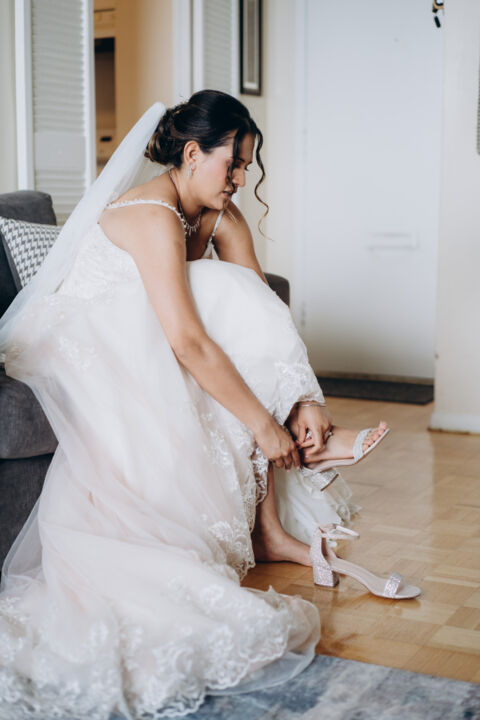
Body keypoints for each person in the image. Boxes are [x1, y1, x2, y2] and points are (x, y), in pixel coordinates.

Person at [0, 91, 388, 718]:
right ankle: (296, 468)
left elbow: (265, 318)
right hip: (80, 338)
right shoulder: (153, 214)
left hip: (149, 330)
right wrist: (263, 425)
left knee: (237, 299)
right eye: (232, 164)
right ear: (190, 154)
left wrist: (302, 395)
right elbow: (186, 340)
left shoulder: (220, 216)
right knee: (216, 310)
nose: (240, 179)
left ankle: (273, 517)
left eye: (246, 167)